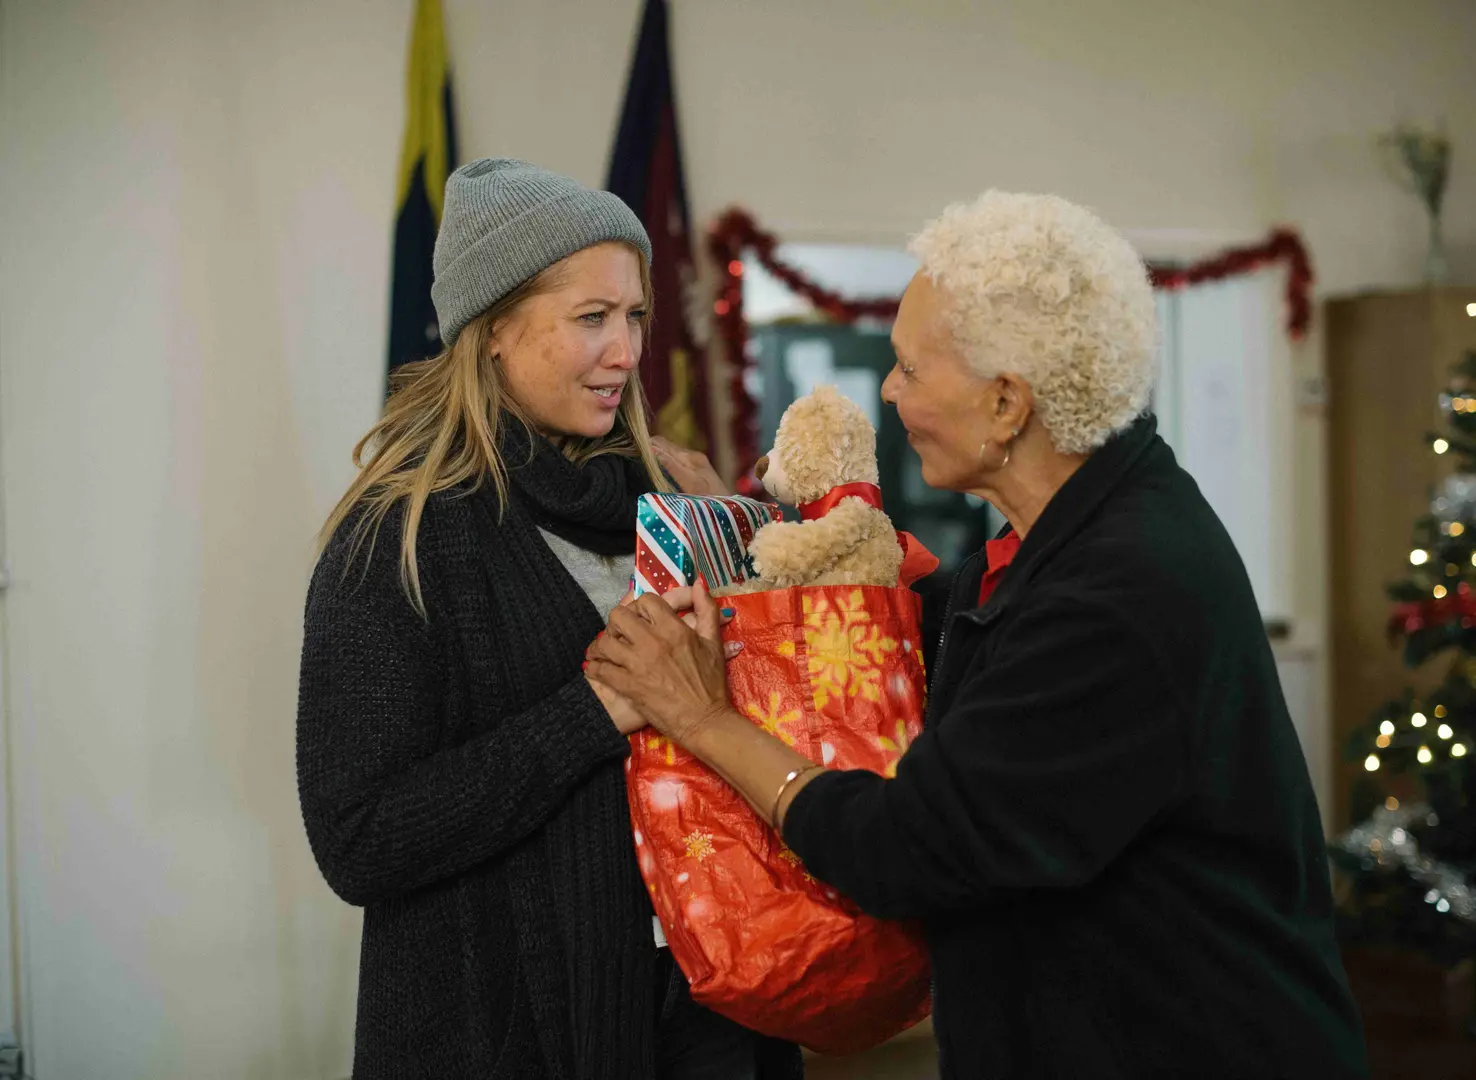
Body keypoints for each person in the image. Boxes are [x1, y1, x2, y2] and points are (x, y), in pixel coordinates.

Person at [585, 191, 1370, 1079]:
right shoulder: (1084, 522)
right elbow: (948, 624)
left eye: (911, 371)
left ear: (1007, 404)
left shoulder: (1119, 594)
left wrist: (703, 719)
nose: (887, 392)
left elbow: (905, 848)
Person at [296, 158, 799, 1080]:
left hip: (707, 1018)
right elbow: (359, 840)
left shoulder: (673, 501)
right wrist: (597, 712)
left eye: (636, 315)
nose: (627, 351)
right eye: (592, 318)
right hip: (502, 1036)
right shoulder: (398, 536)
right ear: (493, 331)